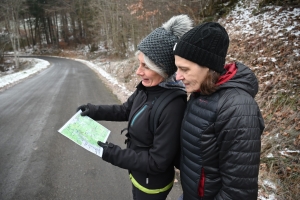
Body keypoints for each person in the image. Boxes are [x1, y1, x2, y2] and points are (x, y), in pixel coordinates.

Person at [77, 15, 193, 200]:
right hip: (137, 172)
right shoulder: (148, 88)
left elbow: (157, 162)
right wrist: (93, 111)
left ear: (163, 69)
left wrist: (113, 153)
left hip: (152, 185)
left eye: (145, 66)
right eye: (139, 64)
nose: (138, 72)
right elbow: (125, 110)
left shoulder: (173, 106)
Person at [173, 22, 265, 200]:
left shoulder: (237, 108)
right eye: (177, 68)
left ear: (208, 67)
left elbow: (238, 192)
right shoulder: (201, 92)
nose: (178, 76)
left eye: (184, 69)